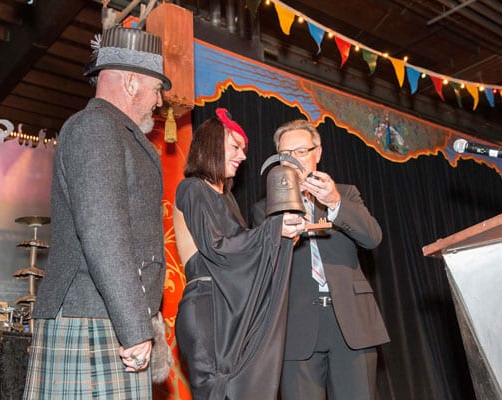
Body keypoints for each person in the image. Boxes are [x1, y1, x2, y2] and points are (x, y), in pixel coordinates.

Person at [23, 26, 172, 399]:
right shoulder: (96, 127)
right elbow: (103, 233)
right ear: (132, 82)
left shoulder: (114, 132)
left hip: (107, 315)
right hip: (93, 316)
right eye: (157, 89)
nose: (159, 101)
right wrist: (134, 327)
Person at [252, 119, 390, 400]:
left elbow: (372, 237)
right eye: (285, 154)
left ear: (318, 153)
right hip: (296, 325)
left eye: (301, 152)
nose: (293, 160)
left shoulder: (346, 193)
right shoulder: (265, 208)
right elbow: (262, 271)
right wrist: (280, 236)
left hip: (352, 321)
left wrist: (335, 202)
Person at [173, 108, 303, 400]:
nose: (242, 156)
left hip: (231, 309)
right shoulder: (192, 188)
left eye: (243, 150)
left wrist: (280, 239)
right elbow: (219, 247)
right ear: (211, 145)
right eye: (235, 147)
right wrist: (272, 232)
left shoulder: (228, 199)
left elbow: (244, 250)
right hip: (208, 310)